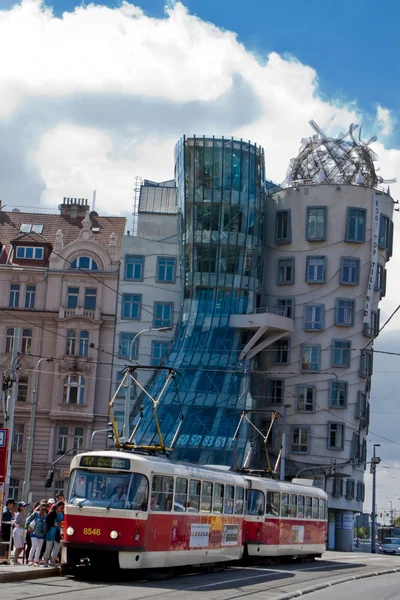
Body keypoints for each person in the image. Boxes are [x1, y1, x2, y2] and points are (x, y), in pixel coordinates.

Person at [43, 501, 64, 567]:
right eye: (61, 507)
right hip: (50, 532)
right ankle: (46, 561)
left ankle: (53, 560)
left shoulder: (61, 514)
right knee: (48, 547)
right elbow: (47, 521)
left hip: (58, 533)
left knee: (57, 547)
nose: (61, 509)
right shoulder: (52, 513)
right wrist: (53, 524)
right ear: (57, 506)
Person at [1, 498, 16, 563]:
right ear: (9, 504)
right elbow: (6, 522)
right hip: (5, 532)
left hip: (6, 532)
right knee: (4, 547)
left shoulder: (7, 511)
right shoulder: (6, 512)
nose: (14, 506)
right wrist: (12, 523)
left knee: (7, 547)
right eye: (13, 504)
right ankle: (3, 560)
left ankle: (5, 560)